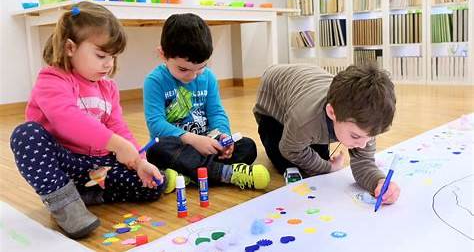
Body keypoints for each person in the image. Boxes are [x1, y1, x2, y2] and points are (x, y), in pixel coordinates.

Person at [9, 1, 166, 239]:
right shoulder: (51, 80)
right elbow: (68, 120)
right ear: (70, 48)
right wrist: (117, 145)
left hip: (97, 166)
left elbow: (118, 127)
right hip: (65, 163)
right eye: (101, 55)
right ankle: (65, 202)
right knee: (25, 135)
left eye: (112, 57)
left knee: (152, 185)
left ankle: (85, 195)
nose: (108, 63)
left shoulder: (108, 87)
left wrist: (139, 161)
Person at [143, 13, 270, 191]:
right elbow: (156, 124)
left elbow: (216, 112)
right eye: (183, 69)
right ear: (163, 55)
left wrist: (223, 136)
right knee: (157, 150)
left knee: (247, 146)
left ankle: (188, 176)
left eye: (200, 68)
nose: (192, 75)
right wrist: (193, 140)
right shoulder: (155, 81)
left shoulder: (208, 78)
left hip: (207, 146)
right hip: (179, 147)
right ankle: (225, 174)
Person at [253, 63, 400, 204]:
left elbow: (364, 163)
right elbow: (289, 148)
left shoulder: (366, 125)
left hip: (306, 88)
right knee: (287, 161)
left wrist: (379, 182)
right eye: (356, 136)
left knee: (318, 158)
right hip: (272, 98)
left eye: (371, 137)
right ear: (332, 113)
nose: (363, 144)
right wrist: (328, 167)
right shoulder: (305, 120)